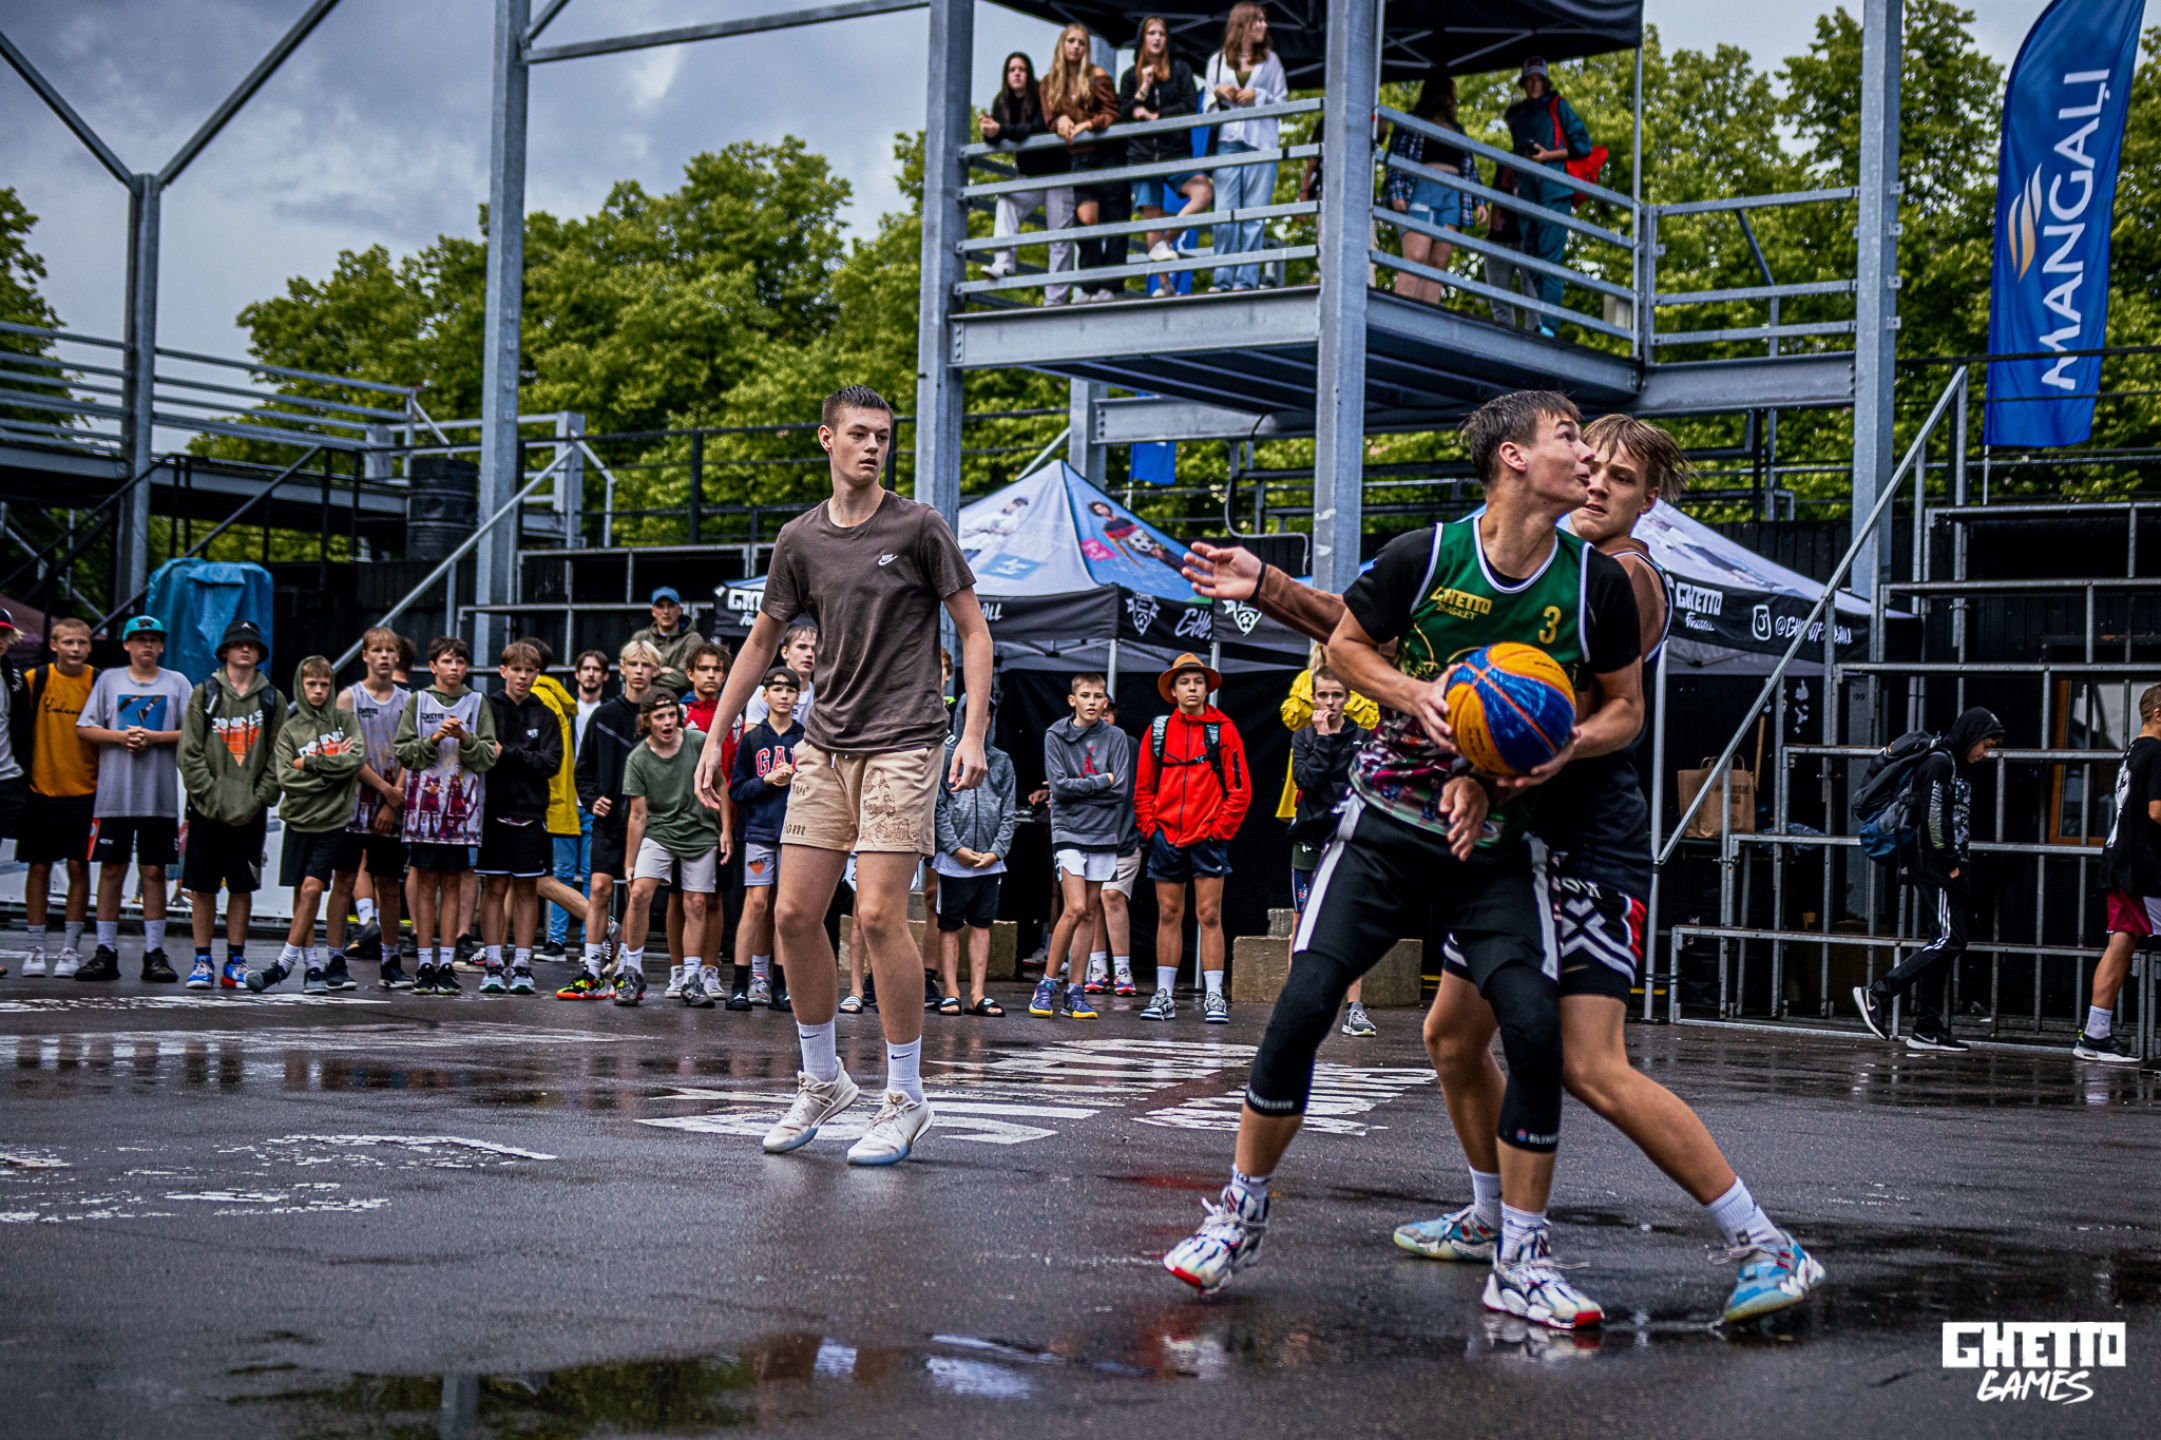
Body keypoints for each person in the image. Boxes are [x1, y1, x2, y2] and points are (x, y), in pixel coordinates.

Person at [1180, 403, 1824, 1326]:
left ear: (1646, 503)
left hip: (1578, 833)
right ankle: (1492, 1221)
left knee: (1586, 1063)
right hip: (1500, 820)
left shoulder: (1620, 578)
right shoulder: (1468, 554)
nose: (1595, 478)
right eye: (1586, 458)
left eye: (1620, 477)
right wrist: (1276, 590)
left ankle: (1762, 1242)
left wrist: (1492, 772)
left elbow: (1554, 712)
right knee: (1450, 1036)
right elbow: (1397, 640)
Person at [693, 384, 993, 1168]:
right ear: (826, 439)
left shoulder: (918, 526)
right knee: (795, 914)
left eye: (883, 436)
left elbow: (972, 629)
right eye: (859, 434)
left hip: (905, 741)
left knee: (879, 915)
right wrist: (716, 736)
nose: (873, 447)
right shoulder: (799, 539)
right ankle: (822, 1079)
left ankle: (906, 1095)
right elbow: (761, 642)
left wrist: (972, 732)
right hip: (825, 743)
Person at [1855, 707, 2005, 1052]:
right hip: (1935, 866)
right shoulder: (1939, 763)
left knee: (1944, 943)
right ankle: (1877, 994)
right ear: (1971, 736)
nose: (1986, 753)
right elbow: (1933, 816)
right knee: (1950, 940)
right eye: (1985, 745)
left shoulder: (1954, 765)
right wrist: (1950, 862)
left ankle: (1927, 1026)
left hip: (1946, 865)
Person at [74, 616, 190, 984]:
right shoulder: (109, 680)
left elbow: (193, 732)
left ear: (161, 645)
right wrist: (121, 737)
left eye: (153, 639)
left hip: (159, 798)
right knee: (111, 871)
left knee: (154, 872)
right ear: (126, 645)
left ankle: (154, 952)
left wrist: (154, 738)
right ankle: (105, 950)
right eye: (139, 639)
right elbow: (84, 728)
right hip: (115, 797)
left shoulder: (177, 682)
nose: (147, 645)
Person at [1135, 653, 1250, 1022]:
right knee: (1169, 913)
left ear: (1206, 688)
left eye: (1198, 681)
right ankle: (1163, 995)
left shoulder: (1224, 731)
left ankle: (1214, 996)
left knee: (1209, 915)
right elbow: (1142, 788)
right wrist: (1151, 829)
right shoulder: (1158, 731)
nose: (1191, 688)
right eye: (1184, 682)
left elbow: (1240, 789)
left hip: (1207, 837)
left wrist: (1219, 830)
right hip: (1166, 836)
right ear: (1173, 690)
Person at [175, 621, 284, 990]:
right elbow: (189, 752)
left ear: (259, 653)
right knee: (203, 887)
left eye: (252, 645)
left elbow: (279, 756)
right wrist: (208, 794)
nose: (245, 649)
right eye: (238, 644)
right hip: (207, 810)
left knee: (242, 887)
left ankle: (235, 962)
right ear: (224, 652)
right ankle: (202, 961)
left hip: (250, 811)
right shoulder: (204, 692)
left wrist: (259, 798)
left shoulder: (272, 698)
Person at [394, 635, 499, 997]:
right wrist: (434, 738)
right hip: (423, 813)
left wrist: (465, 739)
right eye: (447, 661)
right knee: (425, 883)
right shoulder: (418, 701)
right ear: (433, 666)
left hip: (460, 816)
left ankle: (446, 963)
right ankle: (425, 962)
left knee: (452, 884)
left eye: (460, 662)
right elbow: (404, 753)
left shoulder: (477, 702)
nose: (454, 668)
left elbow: (488, 756)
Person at [250, 657, 362, 993]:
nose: (318, 690)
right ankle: (312, 967)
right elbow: (287, 778)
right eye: (311, 684)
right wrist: (333, 770)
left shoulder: (344, 720)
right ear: (300, 685)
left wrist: (310, 762)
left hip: (333, 820)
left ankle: (283, 964)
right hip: (299, 819)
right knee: (302, 894)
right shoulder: (290, 729)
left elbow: (355, 761)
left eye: (324, 684)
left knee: (313, 889)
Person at [561, 639, 658, 998]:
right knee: (599, 888)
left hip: (648, 825)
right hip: (608, 822)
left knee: (637, 894)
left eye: (645, 665)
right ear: (622, 668)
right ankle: (591, 971)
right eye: (633, 664)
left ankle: (628, 972)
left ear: (655, 671)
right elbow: (582, 769)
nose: (639, 671)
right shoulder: (604, 716)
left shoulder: (661, 716)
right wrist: (591, 800)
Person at [1033, 672, 1132, 1020]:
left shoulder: (1116, 737)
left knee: (1090, 911)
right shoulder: (1056, 734)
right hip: (1069, 831)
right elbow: (1059, 788)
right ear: (1072, 700)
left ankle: (1075, 992)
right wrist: (1101, 781)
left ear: (1106, 701)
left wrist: (1081, 788)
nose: (1092, 702)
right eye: (1086, 695)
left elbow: (1120, 791)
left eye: (1099, 696)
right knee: (1074, 907)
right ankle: (1046, 985)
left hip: (1103, 833)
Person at [618, 692, 723, 1007]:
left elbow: (720, 784)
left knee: (696, 903)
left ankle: (692, 979)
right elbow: (638, 816)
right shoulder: (638, 758)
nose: (667, 722)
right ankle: (631, 971)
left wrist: (726, 831)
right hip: (659, 830)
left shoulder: (698, 741)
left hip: (701, 829)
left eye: (671, 715)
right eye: (659, 717)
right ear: (646, 721)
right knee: (639, 893)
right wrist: (629, 862)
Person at [1288, 664, 1373, 1035]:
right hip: (1310, 837)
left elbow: (1362, 784)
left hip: (1347, 838)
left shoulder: (1364, 737)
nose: (1330, 702)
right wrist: (1323, 739)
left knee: (1351, 920)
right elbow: (1307, 780)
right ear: (1312, 698)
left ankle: (1354, 1008)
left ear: (1348, 698)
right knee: (1301, 919)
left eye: (1337, 695)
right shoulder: (1304, 737)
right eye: (1323, 695)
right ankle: (1296, 1000)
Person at [476, 640, 563, 996]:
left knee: (527, 890)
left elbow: (550, 763)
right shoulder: (487, 708)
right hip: (493, 811)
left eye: (529, 671)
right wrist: (521, 757)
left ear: (537, 674)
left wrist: (509, 755)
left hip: (531, 814)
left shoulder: (545, 714)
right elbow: (482, 755)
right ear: (503, 671)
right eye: (516, 670)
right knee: (494, 888)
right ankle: (493, 963)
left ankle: (523, 965)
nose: (523, 676)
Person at [14, 615, 98, 977]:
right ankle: (35, 947)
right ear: (54, 645)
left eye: (81, 643)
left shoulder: (98, 681)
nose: (75, 649)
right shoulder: (36, 679)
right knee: (39, 867)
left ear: (90, 647)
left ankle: (69, 949)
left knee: (79, 867)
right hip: (41, 789)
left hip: (87, 791)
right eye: (68, 642)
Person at [330, 627, 412, 988]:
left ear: (397, 657)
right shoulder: (349, 697)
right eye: (377, 650)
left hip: (391, 808)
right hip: (352, 806)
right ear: (365, 655)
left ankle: (390, 960)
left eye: (389, 651)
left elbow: (411, 753)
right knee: (344, 880)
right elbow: (346, 753)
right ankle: (334, 959)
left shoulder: (409, 701)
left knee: (390, 884)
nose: (383, 657)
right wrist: (385, 790)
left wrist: (394, 801)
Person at [2085, 684, 2161, 1062]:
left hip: (2120, 860)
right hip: (2142, 867)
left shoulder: (2133, 750)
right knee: (2121, 943)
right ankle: (2094, 1036)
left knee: (2121, 942)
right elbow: (2157, 811)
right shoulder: (2158, 752)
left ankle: (2095, 1034)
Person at [934, 703, 1016, 1016]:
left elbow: (1008, 810)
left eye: (985, 715)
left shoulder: (1001, 761)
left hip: (990, 861)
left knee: (982, 924)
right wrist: (955, 847)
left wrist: (997, 851)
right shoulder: (946, 757)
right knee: (950, 925)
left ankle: (978, 994)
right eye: (970, 715)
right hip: (953, 861)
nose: (979, 721)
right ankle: (951, 991)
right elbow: (938, 806)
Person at [1504, 56, 1594, 338]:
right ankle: (1544, 320)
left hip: (1554, 191)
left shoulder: (1558, 106)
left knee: (1549, 260)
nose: (1534, 85)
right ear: (1523, 83)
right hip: (1527, 193)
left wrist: (1548, 156)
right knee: (1533, 261)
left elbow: (1584, 145)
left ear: (1545, 82)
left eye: (1538, 80)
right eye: (1529, 80)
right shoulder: (1519, 116)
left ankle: (1549, 327)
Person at [1121, 16, 1212, 296]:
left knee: (1203, 192)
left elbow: (1189, 105)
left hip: (1175, 153)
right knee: (1152, 219)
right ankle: (1165, 285)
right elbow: (1123, 113)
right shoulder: (1130, 76)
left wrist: (1156, 116)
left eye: (1161, 33)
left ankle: (1167, 241)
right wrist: (1144, 88)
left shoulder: (1181, 69)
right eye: (1152, 33)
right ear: (1143, 38)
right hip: (1143, 156)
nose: (1157, 38)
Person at [730, 667, 804, 1010]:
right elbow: (737, 790)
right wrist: (767, 780)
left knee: (784, 908)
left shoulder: (805, 739)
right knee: (756, 903)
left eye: (790, 689)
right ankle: (740, 984)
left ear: (798, 696)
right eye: (777, 688)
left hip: (793, 834)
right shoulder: (753, 738)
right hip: (759, 833)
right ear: (765, 695)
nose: (784, 695)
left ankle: (781, 987)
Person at [1203, 3, 1286, 293]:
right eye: (1258, 20)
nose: (1264, 26)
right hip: (1227, 143)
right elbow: (1205, 107)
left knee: (1253, 216)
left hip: (1260, 145)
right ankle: (1222, 279)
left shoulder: (1271, 62)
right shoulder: (1216, 62)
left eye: (1264, 21)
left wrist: (1258, 95)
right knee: (1224, 215)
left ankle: (1245, 280)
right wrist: (1217, 92)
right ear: (1242, 24)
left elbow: (1283, 103)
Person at [979, 51, 1075, 292]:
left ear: (1029, 73)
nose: (1017, 74)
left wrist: (1002, 130)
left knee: (1059, 237)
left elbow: (1038, 127)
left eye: (1021, 69)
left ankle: (1055, 300)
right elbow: (1000, 136)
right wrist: (989, 131)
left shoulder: (1042, 93)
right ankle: (1003, 262)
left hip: (1058, 174)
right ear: (1006, 75)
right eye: (1012, 70)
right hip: (1030, 176)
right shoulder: (1002, 101)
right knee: (1007, 199)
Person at [1041, 23, 1122, 304]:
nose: (1076, 47)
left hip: (1108, 152)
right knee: (1086, 219)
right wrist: (1060, 120)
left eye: (1081, 43)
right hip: (1080, 155)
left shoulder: (1098, 76)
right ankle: (1089, 284)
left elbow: (1113, 113)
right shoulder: (1050, 82)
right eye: (1071, 41)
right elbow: (1049, 117)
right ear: (1062, 45)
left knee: (1114, 219)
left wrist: (1088, 123)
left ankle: (1109, 286)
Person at [1384, 72, 1479, 306]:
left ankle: (1428, 316)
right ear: (1438, 95)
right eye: (1449, 95)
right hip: (1422, 189)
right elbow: (1397, 158)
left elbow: (1469, 167)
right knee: (1416, 256)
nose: (1453, 101)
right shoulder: (1413, 121)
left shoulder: (1458, 129)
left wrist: (1478, 201)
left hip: (1452, 194)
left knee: (1439, 261)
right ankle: (1401, 312)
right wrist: (1397, 192)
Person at [524, 638, 586, 961]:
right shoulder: (551, 697)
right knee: (512, 881)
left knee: (542, 881)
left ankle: (605, 927)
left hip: (538, 803)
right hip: (544, 802)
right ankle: (495, 951)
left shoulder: (540, 700)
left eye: (521, 666)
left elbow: (542, 759)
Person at [548, 648, 610, 955]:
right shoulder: (566, 711)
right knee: (560, 873)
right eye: (586, 668)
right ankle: (556, 939)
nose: (591, 674)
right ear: (576, 674)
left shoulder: (607, 713)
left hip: (594, 802)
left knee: (590, 874)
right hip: (565, 802)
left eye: (596, 669)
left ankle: (591, 939)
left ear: (606, 676)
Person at [1080, 693, 1142, 997]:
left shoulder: (1129, 745)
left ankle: (1123, 971)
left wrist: (1137, 829)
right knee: (1090, 903)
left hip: (1123, 838)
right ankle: (1097, 969)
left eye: (1108, 712)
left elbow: (1141, 790)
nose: (1102, 717)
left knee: (1112, 896)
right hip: (1086, 839)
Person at [629, 586, 706, 699]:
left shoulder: (692, 639)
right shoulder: (641, 638)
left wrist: (647, 676)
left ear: (679, 610)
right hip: (644, 702)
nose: (666, 611)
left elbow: (685, 679)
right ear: (653, 611)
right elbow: (627, 674)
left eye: (671, 606)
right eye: (661, 606)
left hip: (680, 702)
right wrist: (662, 671)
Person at [745, 619, 815, 728]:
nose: (809, 654)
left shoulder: (823, 697)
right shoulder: (763, 694)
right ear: (785, 652)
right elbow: (751, 736)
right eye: (802, 647)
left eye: (815, 649)